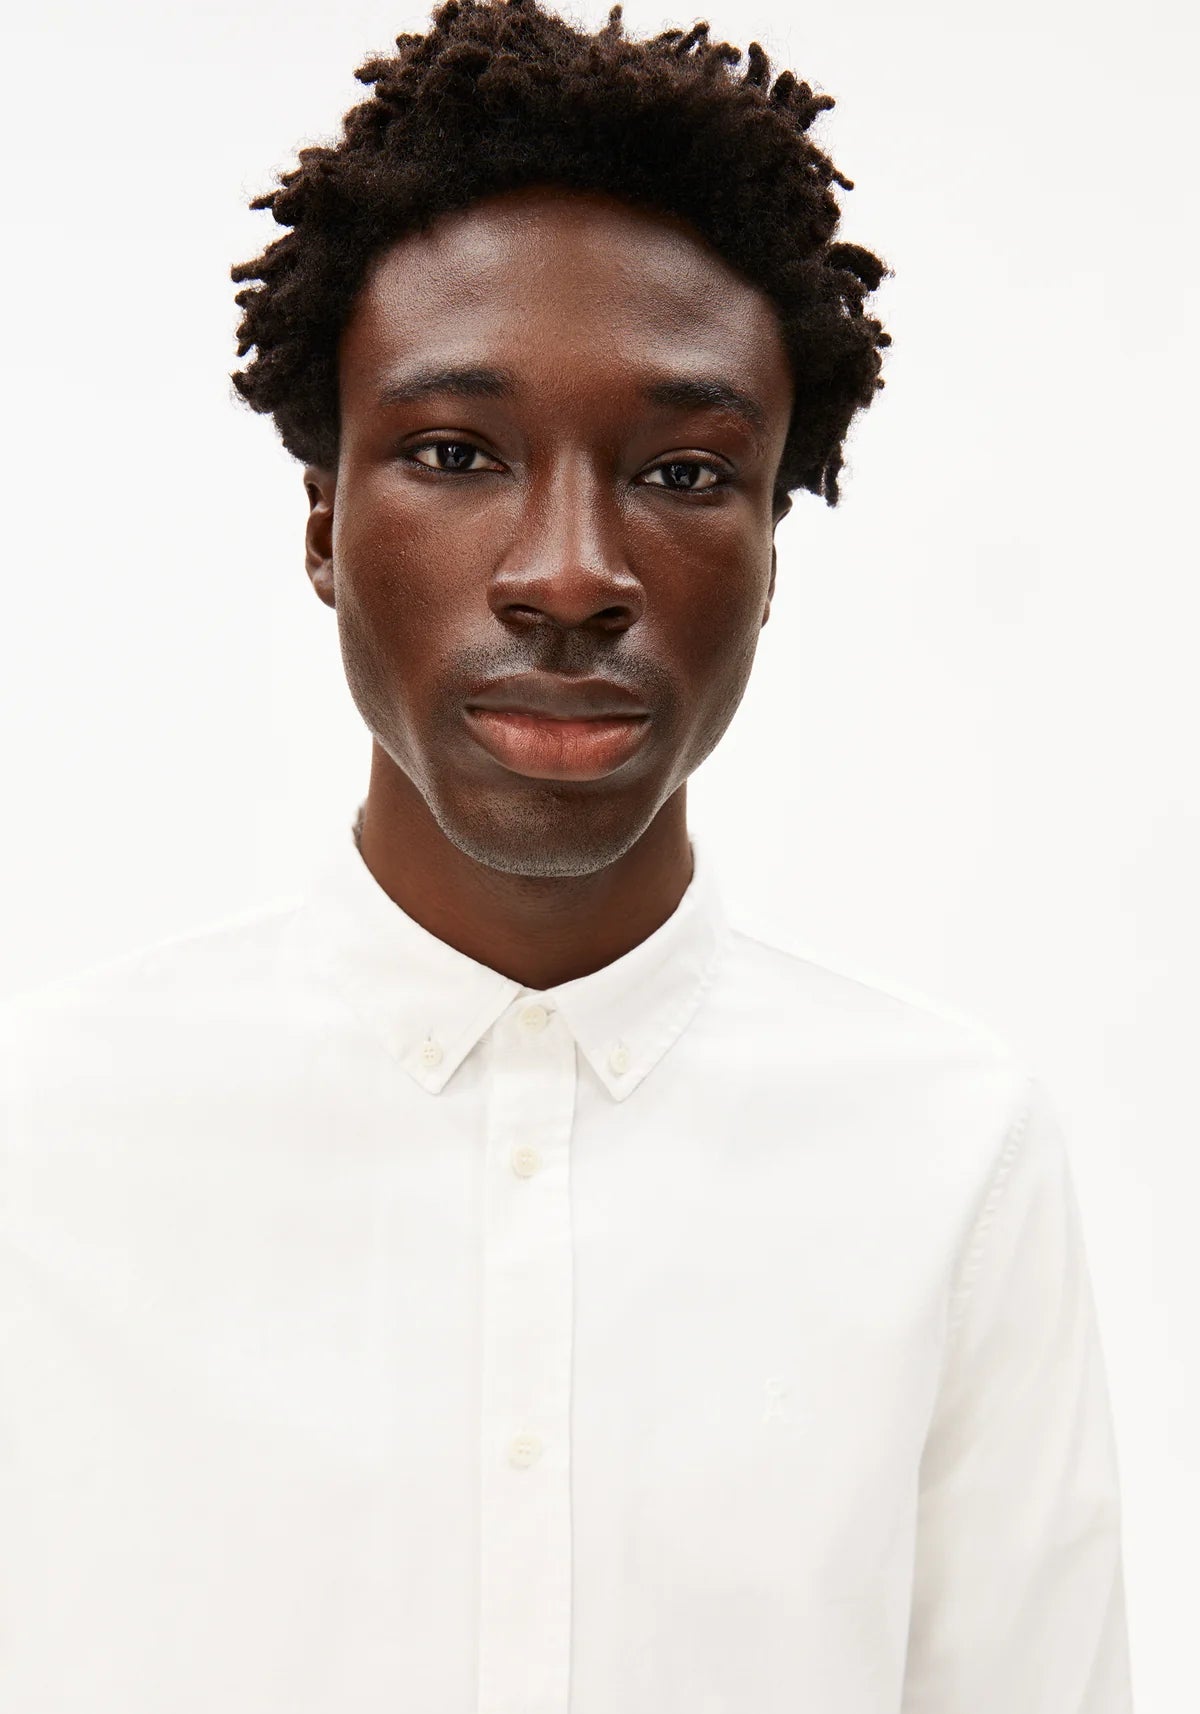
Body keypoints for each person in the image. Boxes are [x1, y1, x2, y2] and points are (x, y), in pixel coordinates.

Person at [0, 1, 1133, 1709]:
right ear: (324, 521)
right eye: (456, 454)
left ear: (772, 551)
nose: (569, 575)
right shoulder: (39, 1143)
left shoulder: (952, 1162)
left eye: (682, 469)